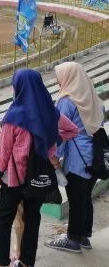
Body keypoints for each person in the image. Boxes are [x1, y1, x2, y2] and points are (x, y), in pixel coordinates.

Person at [0, 69, 77, 267]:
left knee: (4, 219)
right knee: (32, 219)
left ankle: (2, 262)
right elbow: (72, 130)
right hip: (39, 176)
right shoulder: (50, 112)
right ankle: (27, 262)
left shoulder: (13, 116)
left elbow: (4, 151)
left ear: (18, 86)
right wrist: (51, 144)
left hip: (13, 178)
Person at [45, 62, 105, 253]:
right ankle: (84, 236)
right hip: (94, 158)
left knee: (76, 201)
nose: (57, 81)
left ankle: (72, 240)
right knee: (85, 197)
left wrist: (54, 157)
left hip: (77, 160)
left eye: (59, 76)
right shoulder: (94, 99)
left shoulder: (67, 101)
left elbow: (60, 133)